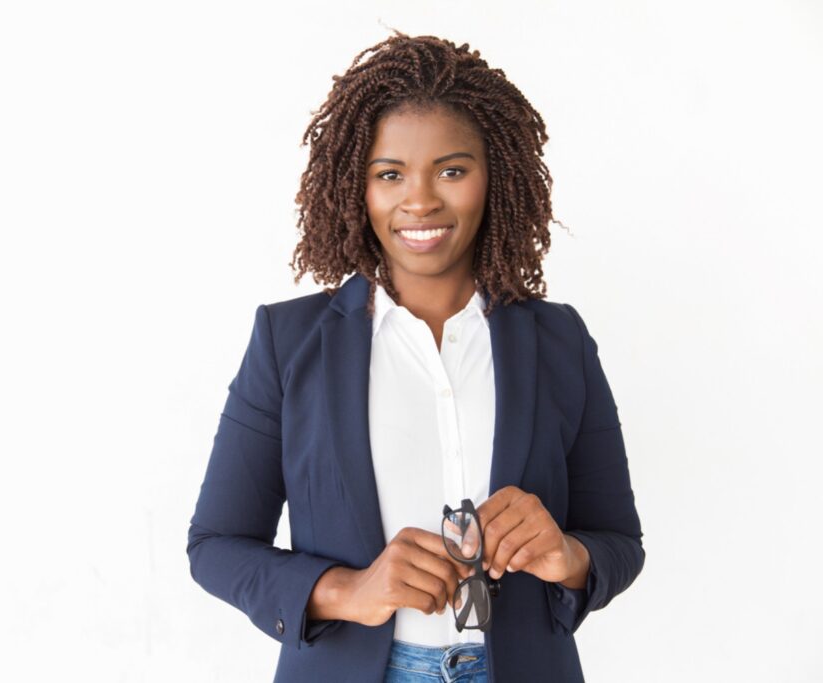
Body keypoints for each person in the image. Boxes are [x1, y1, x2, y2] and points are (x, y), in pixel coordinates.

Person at [186, 31, 644, 683]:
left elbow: (619, 542)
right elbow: (215, 546)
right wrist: (349, 589)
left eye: (452, 170)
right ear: (356, 185)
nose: (421, 199)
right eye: (390, 173)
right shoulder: (288, 342)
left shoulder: (559, 341)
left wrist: (566, 555)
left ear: (496, 175)